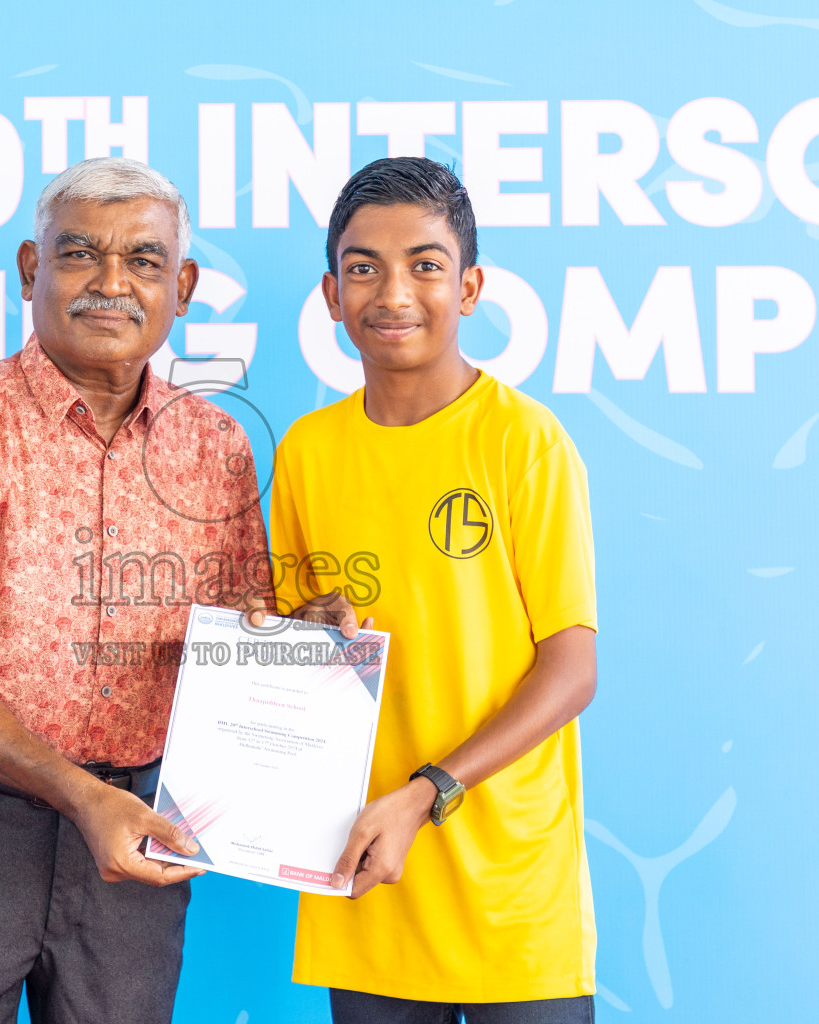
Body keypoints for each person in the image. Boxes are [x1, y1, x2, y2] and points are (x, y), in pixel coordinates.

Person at [0, 157, 278, 1024]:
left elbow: (235, 647)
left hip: (138, 841)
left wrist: (307, 649)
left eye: (144, 262)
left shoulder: (218, 446)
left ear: (181, 287)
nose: (112, 284)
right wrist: (82, 795)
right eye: (80, 254)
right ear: (32, 271)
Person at [266, 157, 600, 1023]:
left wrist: (428, 792)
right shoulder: (307, 451)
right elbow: (298, 647)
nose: (394, 292)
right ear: (332, 294)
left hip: (508, 897)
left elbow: (571, 669)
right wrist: (308, 633)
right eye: (363, 266)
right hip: (369, 875)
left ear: (471, 285)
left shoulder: (524, 441)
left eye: (425, 263)